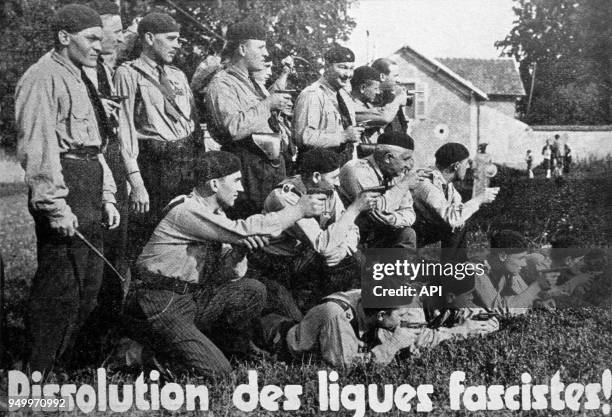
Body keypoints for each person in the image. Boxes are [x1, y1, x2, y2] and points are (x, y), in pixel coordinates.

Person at [125, 151, 327, 377]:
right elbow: (244, 229)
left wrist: (240, 250)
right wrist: (298, 210)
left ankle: (220, 346)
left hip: (190, 298)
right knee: (219, 372)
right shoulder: (185, 209)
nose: (241, 188)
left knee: (253, 289)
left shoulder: (218, 215)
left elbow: (230, 274)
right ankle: (139, 351)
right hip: (159, 301)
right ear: (213, 184)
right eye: (236, 181)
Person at [15, 4, 120, 372]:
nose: (99, 46)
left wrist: (106, 193)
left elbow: (95, 144)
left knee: (87, 288)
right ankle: (36, 373)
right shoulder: (41, 77)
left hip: (89, 183)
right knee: (58, 288)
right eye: (92, 39)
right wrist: (55, 207)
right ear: (64, 37)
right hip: (64, 187)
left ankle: (62, 364)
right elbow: (38, 149)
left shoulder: (80, 74)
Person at [114, 12, 201, 256]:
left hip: (186, 164)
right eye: (171, 38)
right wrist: (137, 183)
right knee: (148, 238)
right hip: (154, 167)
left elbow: (192, 124)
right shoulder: (128, 74)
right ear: (149, 38)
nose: (177, 46)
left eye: (179, 40)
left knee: (185, 238)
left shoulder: (178, 75)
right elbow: (124, 131)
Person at [262, 288, 497, 369]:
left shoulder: (378, 305)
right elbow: (344, 367)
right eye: (401, 314)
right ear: (383, 316)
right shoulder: (339, 317)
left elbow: (414, 334)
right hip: (274, 340)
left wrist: (462, 330)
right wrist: (392, 346)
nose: (405, 316)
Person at [260, 148, 379, 301]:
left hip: (309, 253)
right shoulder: (286, 196)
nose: (338, 183)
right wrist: (354, 208)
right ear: (316, 176)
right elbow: (322, 244)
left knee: (355, 257)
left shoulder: (327, 188)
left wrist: (344, 249)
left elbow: (350, 227)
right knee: (345, 260)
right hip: (279, 261)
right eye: (334, 177)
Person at [205, 22, 292, 217]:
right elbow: (232, 128)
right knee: (252, 227)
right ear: (242, 49)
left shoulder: (250, 81)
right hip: (246, 170)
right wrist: (268, 104)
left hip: (266, 169)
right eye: (261, 47)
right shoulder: (222, 83)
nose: (266, 53)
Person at [412, 143, 498, 262]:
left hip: (424, 229)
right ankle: (452, 269)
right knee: (456, 223)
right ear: (456, 166)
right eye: (466, 163)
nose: (469, 167)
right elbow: (452, 218)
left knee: (459, 223)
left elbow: (458, 213)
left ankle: (456, 265)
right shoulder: (426, 184)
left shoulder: (447, 184)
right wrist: (479, 199)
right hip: (411, 233)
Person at [339, 132, 418, 250]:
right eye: (406, 159)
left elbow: (409, 213)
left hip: (379, 232)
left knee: (407, 234)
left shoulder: (398, 174)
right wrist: (403, 185)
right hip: (352, 237)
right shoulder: (356, 170)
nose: (410, 165)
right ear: (388, 158)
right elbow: (374, 211)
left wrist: (392, 219)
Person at [292, 44, 362, 165]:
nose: (348, 74)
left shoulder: (344, 96)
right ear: (327, 66)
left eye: (351, 68)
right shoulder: (312, 95)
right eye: (343, 67)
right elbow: (304, 137)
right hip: (318, 171)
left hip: (341, 167)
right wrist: (342, 136)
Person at [473, 230, 550, 316]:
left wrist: (539, 302)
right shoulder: (477, 271)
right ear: (502, 256)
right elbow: (500, 311)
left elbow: (523, 294)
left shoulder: (508, 268)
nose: (524, 264)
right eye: (520, 259)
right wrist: (538, 285)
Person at [350, 66, 403, 144]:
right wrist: (398, 100)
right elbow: (385, 118)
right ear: (363, 88)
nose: (378, 92)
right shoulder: (351, 106)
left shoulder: (366, 105)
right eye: (375, 88)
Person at [370, 57, 410, 135]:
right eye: (395, 76)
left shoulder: (391, 97)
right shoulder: (371, 99)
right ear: (382, 77)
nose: (399, 80)